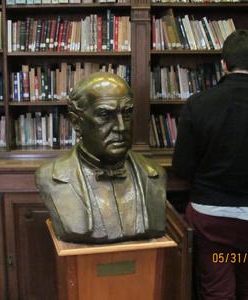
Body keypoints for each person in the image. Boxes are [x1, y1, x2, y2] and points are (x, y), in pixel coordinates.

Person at [36, 72, 166, 244]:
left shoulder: (155, 174)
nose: (121, 127)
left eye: (126, 114)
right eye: (105, 115)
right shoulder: (50, 177)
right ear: (76, 122)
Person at [172, 29, 248, 300]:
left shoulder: (198, 105)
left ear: (223, 64)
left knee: (218, 289)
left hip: (212, 220)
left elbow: (181, 167)